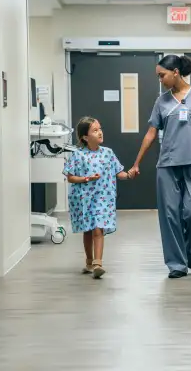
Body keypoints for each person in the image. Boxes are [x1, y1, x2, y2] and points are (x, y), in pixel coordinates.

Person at [128, 54, 191, 279]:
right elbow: (151, 133)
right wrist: (137, 162)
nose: (160, 80)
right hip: (168, 165)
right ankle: (177, 265)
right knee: (170, 217)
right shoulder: (161, 102)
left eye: (162, 75)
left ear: (176, 72)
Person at [63, 116, 130, 279]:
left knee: (98, 229)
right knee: (88, 231)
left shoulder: (108, 153)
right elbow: (70, 177)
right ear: (85, 137)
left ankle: (98, 263)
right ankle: (89, 261)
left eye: (100, 129)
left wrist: (128, 175)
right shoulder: (78, 155)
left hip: (103, 198)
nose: (100, 132)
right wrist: (87, 178)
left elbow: (118, 172)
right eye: (95, 130)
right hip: (83, 199)